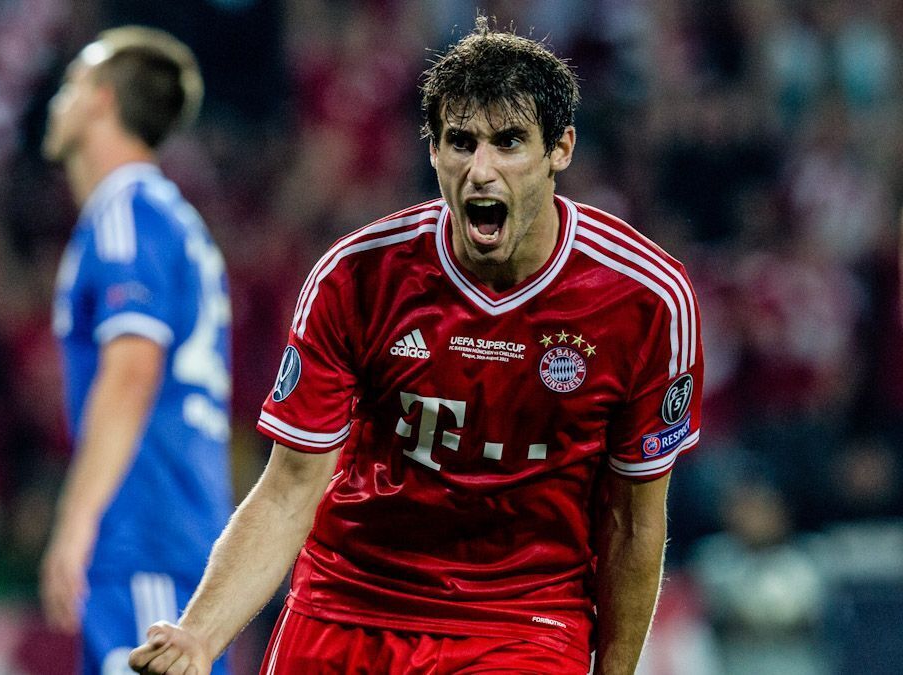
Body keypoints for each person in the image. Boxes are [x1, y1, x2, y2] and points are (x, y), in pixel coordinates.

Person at [130, 17, 704, 675]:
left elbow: (634, 521)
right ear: (432, 152)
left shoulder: (645, 299)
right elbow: (289, 488)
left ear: (561, 148)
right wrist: (201, 635)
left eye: (509, 142)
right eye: (460, 143)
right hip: (346, 603)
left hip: (520, 621)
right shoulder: (356, 276)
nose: (480, 170)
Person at [39, 27, 233, 675]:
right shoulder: (163, 214)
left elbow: (132, 371)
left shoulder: (128, 216)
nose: (56, 102)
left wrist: (76, 518)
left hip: (148, 522)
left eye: (69, 85)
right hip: (173, 523)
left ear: (98, 99)